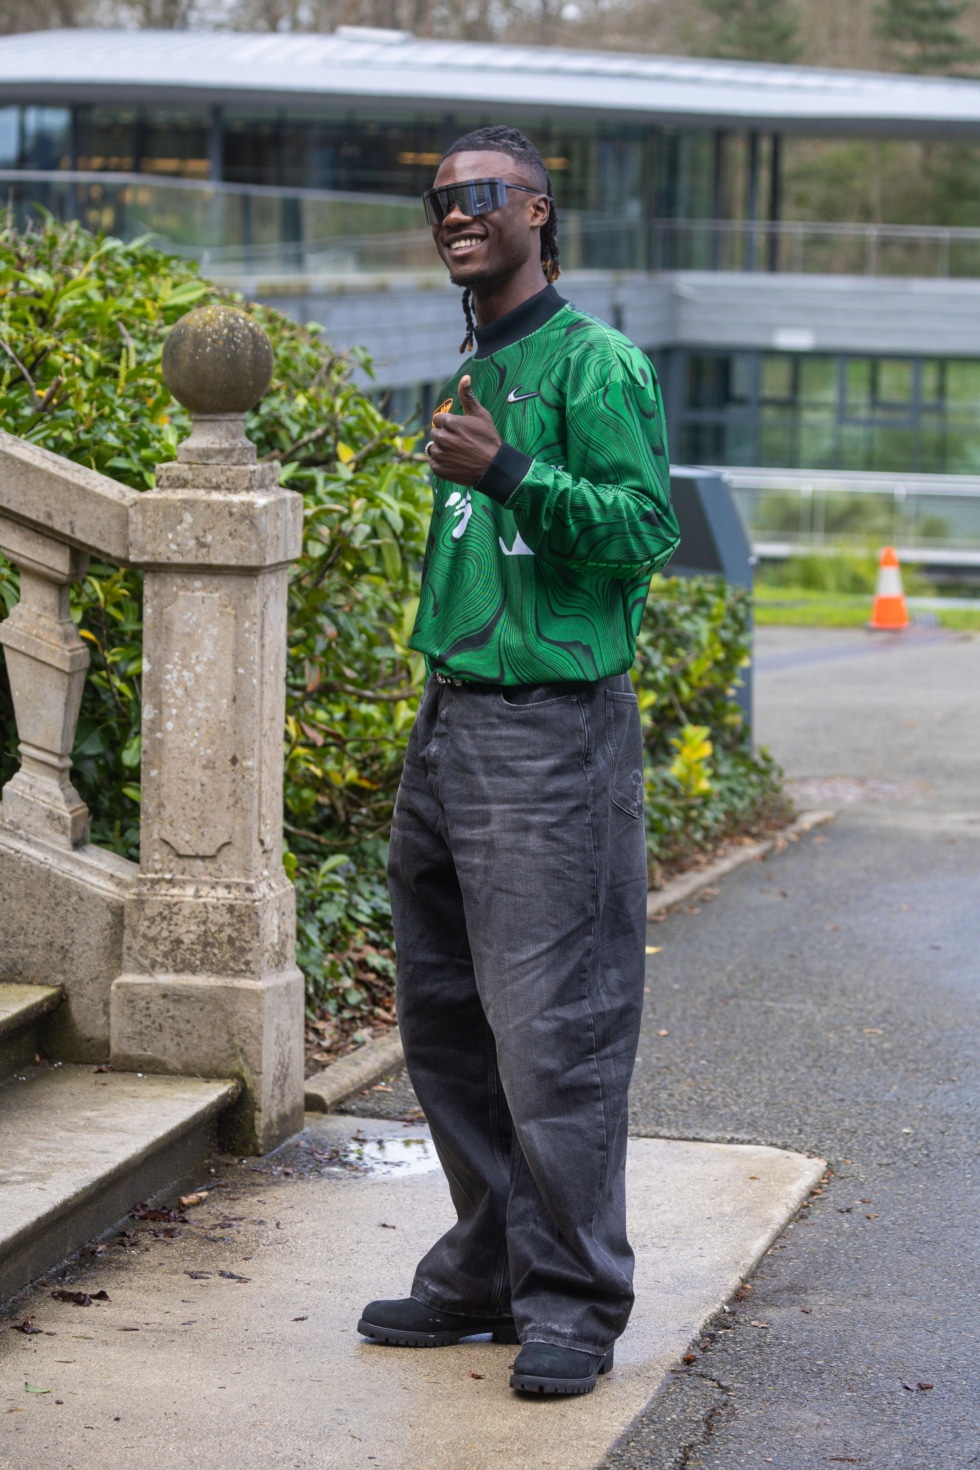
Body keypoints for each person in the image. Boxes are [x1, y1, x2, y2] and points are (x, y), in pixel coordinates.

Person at [357, 125, 681, 1397]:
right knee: (443, 1025)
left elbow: (645, 528)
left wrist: (511, 470)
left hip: (552, 736)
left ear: (538, 214)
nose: (455, 214)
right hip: (450, 726)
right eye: (440, 201)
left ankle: (574, 1303)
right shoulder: (473, 362)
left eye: (481, 196)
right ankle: (487, 1267)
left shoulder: (595, 365)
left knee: (557, 1036)